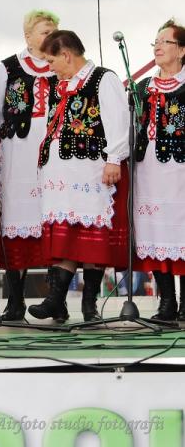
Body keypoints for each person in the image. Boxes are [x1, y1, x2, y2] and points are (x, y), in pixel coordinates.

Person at [27, 30, 129, 323]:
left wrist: (114, 159)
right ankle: (56, 300)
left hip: (91, 171)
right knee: (67, 234)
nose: (50, 67)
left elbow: (117, 120)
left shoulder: (102, 79)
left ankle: (88, 305)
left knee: (92, 236)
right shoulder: (59, 85)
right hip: (62, 175)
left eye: (51, 61)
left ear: (66, 55)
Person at [0, 10, 59, 322]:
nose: (50, 36)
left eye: (54, 31)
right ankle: (15, 300)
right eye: (44, 31)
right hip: (18, 156)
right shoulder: (6, 69)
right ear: (28, 36)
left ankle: (57, 299)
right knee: (16, 221)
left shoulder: (63, 67)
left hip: (55, 155)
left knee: (54, 219)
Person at [131, 20, 185, 321]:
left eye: (165, 41)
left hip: (180, 169)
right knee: (154, 229)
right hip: (148, 169)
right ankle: (167, 303)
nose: (158, 46)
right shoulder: (142, 88)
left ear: (182, 50)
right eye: (156, 41)